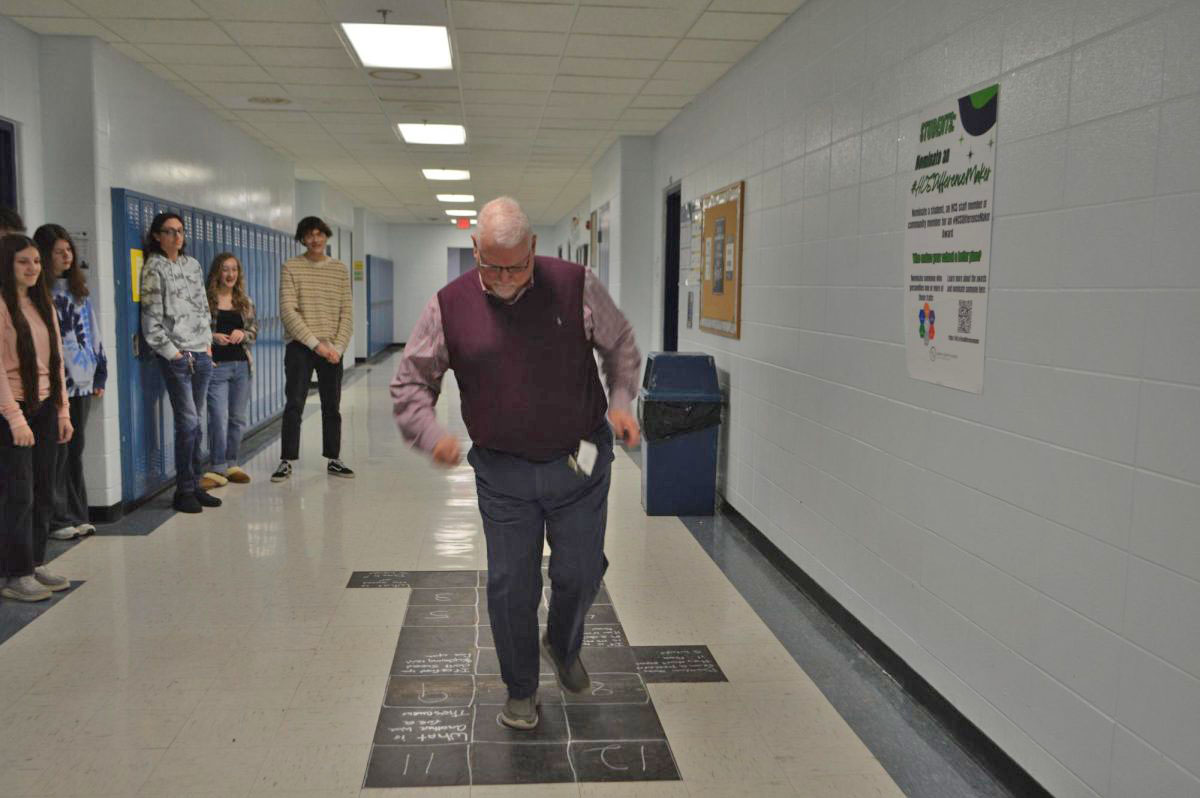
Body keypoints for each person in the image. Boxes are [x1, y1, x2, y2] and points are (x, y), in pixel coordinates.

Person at [390, 197, 641, 730]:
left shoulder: (576, 285)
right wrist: (429, 431)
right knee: (512, 584)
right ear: (475, 249)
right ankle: (521, 688)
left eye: (516, 264)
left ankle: (563, 645)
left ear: (534, 248)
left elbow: (619, 344)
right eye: (490, 264)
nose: (503, 276)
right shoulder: (448, 305)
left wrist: (621, 400)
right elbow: (411, 378)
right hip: (502, 471)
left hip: (580, 459)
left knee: (580, 571)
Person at [0, 235, 73, 601]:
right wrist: (15, 418)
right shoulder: (1, 305)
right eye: (22, 262)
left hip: (46, 406)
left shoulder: (44, 303)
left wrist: (63, 410)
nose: (32, 269)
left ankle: (36, 561)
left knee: (46, 488)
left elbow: (57, 361)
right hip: (13, 406)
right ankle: (16, 573)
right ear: (7, 265)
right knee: (20, 492)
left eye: (36, 262)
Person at [139, 212, 220, 514]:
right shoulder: (153, 268)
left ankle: (196, 484)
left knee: (196, 424)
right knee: (187, 423)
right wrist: (174, 353)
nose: (176, 237)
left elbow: (202, 308)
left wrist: (208, 344)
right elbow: (151, 321)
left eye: (180, 231)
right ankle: (183, 490)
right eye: (169, 232)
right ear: (157, 236)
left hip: (201, 352)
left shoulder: (193, 265)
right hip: (178, 357)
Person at [34, 224, 106, 540]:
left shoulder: (78, 291)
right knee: (57, 452)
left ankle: (77, 514)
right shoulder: (40, 294)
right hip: (55, 383)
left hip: (82, 380)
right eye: (59, 251)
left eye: (69, 250)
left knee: (75, 449)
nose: (67, 256)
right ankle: (57, 518)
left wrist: (100, 372)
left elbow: (93, 333)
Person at [272, 216, 354, 482]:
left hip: (332, 348)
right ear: (302, 239)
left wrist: (338, 347)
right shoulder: (291, 267)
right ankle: (287, 460)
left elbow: (347, 312)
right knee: (294, 403)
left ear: (327, 236)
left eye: (319, 234)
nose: (315, 240)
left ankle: (334, 458)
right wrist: (316, 345)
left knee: (332, 405)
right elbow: (288, 311)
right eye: (309, 235)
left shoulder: (340, 270)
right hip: (301, 347)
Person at [204, 252, 256, 485]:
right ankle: (217, 466)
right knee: (217, 416)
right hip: (216, 367)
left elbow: (254, 332)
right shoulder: (206, 301)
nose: (230, 274)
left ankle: (232, 463)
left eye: (234, 269)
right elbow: (196, 330)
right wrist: (212, 336)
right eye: (225, 269)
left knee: (237, 418)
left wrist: (243, 333)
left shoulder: (245, 302)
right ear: (217, 272)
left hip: (241, 367)